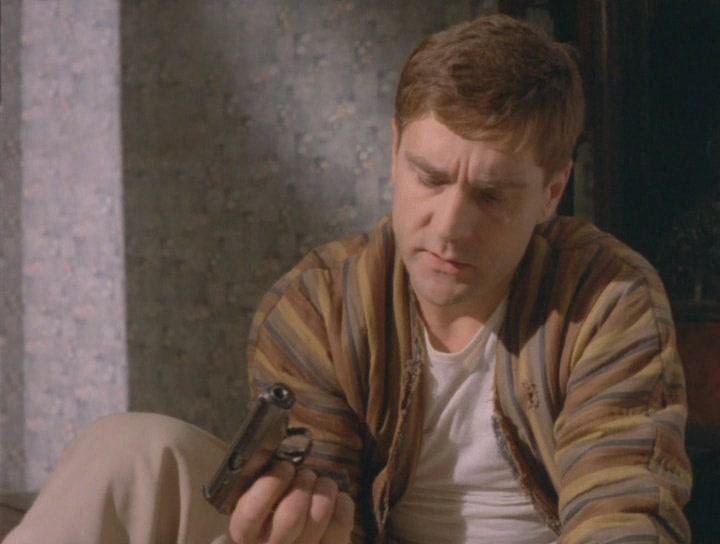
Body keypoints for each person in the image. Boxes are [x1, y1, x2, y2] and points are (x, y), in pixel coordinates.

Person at [4, 13, 691, 544]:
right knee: (129, 451)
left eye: (491, 196)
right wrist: (299, 525)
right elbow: (326, 505)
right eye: (429, 177)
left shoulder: (605, 298)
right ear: (394, 150)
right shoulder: (319, 305)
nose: (450, 225)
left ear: (552, 192)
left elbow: (621, 515)